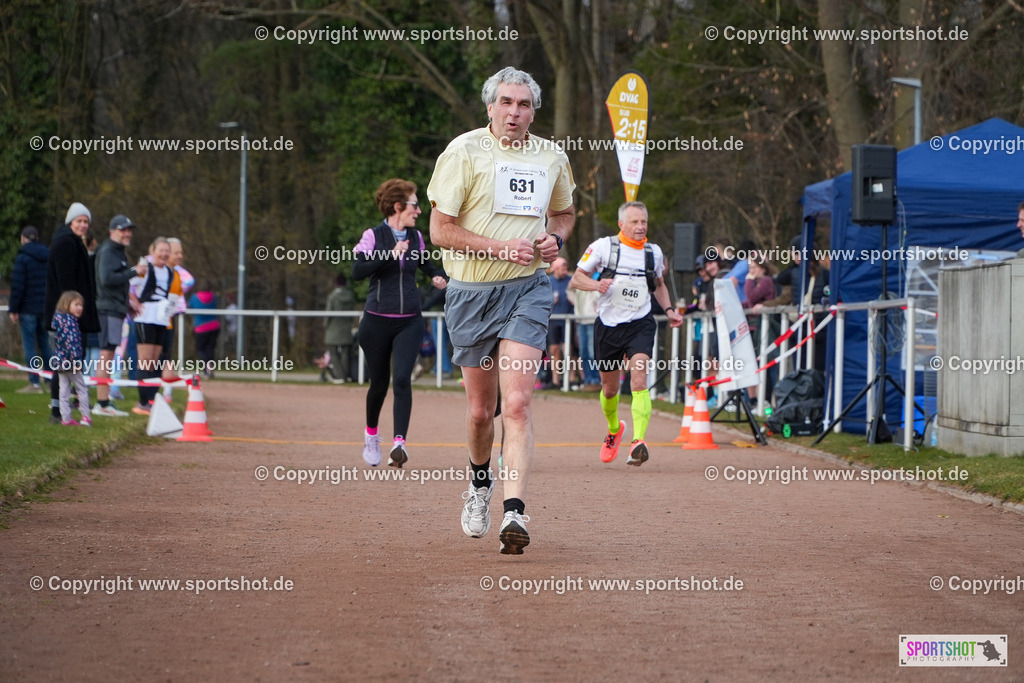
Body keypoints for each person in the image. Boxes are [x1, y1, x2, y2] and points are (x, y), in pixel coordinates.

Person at [428, 66, 575, 554]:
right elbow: (440, 230)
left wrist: (555, 238)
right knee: (479, 412)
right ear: (490, 107)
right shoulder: (463, 151)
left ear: (534, 111)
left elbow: (565, 213)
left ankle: (515, 511)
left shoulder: (551, 155)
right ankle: (478, 483)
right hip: (470, 292)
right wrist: (495, 247)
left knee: (516, 404)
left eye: (524, 105)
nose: (515, 113)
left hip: (526, 289)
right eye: (507, 103)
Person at [570, 201, 683, 465]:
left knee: (639, 377)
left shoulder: (653, 252)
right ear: (622, 224)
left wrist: (668, 310)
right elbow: (577, 278)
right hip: (608, 326)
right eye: (634, 222)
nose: (640, 226)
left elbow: (658, 285)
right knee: (610, 389)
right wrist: (597, 284)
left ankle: (638, 441)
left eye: (643, 221)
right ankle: (614, 430)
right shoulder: (603, 247)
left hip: (640, 323)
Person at [352, 178, 447, 468]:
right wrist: (388, 255)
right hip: (376, 321)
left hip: (410, 321)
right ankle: (371, 436)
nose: (419, 211)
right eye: (415, 205)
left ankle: (399, 443)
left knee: (403, 378)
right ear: (398, 206)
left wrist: (435, 276)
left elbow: (425, 263)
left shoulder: (417, 238)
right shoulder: (373, 235)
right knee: (379, 384)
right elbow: (357, 270)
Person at [45, 202, 100, 424]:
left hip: (73, 314)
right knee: (64, 364)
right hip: (67, 316)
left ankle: (66, 407)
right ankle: (58, 410)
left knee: (71, 364)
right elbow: (66, 282)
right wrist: (73, 312)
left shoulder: (74, 243)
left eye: (86, 221)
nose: (84, 225)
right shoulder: (65, 243)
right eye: (79, 221)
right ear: (70, 222)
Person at [94, 214, 146, 416]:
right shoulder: (108, 251)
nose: (127, 233)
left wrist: (127, 304)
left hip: (116, 309)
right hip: (107, 310)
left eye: (129, 230)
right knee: (106, 355)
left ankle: (104, 402)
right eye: (123, 229)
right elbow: (107, 279)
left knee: (109, 354)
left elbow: (117, 283)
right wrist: (134, 271)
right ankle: (102, 403)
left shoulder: (118, 252)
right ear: (112, 231)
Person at [129, 237, 176, 415]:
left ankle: (152, 400)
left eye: (167, 250)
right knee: (145, 359)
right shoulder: (145, 267)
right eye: (161, 250)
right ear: (153, 250)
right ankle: (142, 402)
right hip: (146, 316)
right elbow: (126, 282)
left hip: (161, 317)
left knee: (156, 361)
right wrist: (134, 302)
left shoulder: (169, 272)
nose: (164, 254)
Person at [9, 226, 51, 393]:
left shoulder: (22, 258)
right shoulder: (48, 256)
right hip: (45, 307)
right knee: (45, 345)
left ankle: (34, 383)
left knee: (29, 346)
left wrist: (14, 309)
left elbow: (18, 286)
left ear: (23, 238)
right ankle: (49, 380)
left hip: (27, 308)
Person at [51, 290, 92, 426]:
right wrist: (76, 361)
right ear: (66, 304)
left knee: (64, 390)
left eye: (81, 305)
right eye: (76, 304)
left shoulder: (59, 321)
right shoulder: (71, 323)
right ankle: (86, 416)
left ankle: (66, 418)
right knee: (81, 388)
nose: (80, 308)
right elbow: (73, 343)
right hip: (71, 362)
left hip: (59, 361)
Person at [161, 237, 193, 400]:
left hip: (167, 323)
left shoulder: (177, 275)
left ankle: (167, 393)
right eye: (176, 253)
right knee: (149, 359)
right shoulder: (157, 271)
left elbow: (188, 282)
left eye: (181, 252)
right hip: (150, 323)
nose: (180, 256)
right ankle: (146, 397)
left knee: (166, 356)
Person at [568, 270, 601, 390]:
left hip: (592, 321)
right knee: (584, 353)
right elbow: (570, 290)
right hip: (580, 321)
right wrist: (576, 281)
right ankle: (588, 380)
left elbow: (598, 298)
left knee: (593, 353)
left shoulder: (596, 282)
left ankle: (596, 380)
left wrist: (591, 284)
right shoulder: (579, 286)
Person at [323, 273, 355, 383]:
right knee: (346, 353)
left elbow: (328, 313)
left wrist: (325, 324)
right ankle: (345, 375)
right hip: (346, 328)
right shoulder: (350, 295)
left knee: (333, 352)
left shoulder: (332, 296)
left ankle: (340, 376)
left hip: (333, 328)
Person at [189, 282, 220, 378]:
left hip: (201, 327)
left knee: (200, 349)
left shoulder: (195, 297)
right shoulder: (213, 296)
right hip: (214, 326)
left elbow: (189, 305)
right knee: (210, 348)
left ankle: (206, 368)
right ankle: (210, 368)